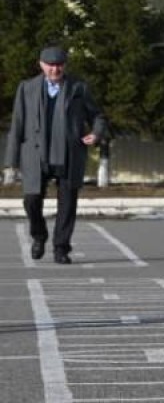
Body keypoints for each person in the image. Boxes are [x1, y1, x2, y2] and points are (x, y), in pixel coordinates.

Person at [6, 46, 107, 264]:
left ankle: (61, 248)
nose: (55, 69)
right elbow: (17, 125)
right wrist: (11, 163)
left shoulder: (78, 88)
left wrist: (96, 134)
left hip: (69, 154)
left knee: (67, 204)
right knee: (31, 200)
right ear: (41, 65)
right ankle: (39, 236)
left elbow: (97, 115)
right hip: (36, 155)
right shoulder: (27, 88)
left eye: (59, 65)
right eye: (50, 65)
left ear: (65, 66)